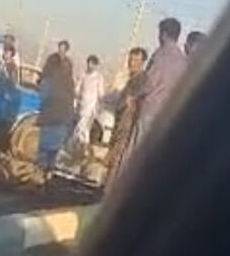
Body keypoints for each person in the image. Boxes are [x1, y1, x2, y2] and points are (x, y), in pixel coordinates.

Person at [129, 18, 188, 152]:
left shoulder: (160, 54)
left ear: (163, 34)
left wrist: (134, 96)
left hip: (150, 110)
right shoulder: (183, 61)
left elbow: (149, 83)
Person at [105, 47, 148, 186]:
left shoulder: (141, 79)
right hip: (120, 122)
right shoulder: (132, 80)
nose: (131, 63)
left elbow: (132, 101)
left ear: (142, 62)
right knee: (113, 157)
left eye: (135, 60)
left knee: (117, 157)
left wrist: (128, 102)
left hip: (126, 124)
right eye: (130, 60)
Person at [36, 51, 76, 174]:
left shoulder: (51, 80)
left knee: (43, 152)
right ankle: (48, 175)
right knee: (53, 154)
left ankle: (40, 176)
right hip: (64, 122)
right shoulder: (70, 82)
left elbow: (43, 97)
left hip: (50, 120)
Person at [72, 55, 106, 150]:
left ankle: (80, 144)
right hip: (82, 104)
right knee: (81, 126)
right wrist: (76, 97)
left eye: (93, 64)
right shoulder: (83, 75)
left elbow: (101, 93)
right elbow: (77, 89)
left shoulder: (98, 77)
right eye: (89, 63)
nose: (90, 66)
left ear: (96, 65)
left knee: (83, 126)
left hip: (91, 106)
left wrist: (100, 105)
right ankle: (81, 146)